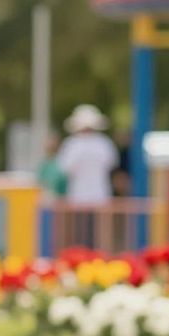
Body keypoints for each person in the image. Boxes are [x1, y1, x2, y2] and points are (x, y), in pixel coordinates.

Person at [57, 104, 118, 249]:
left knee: (86, 232)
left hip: (84, 196)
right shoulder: (103, 143)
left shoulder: (73, 144)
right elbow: (111, 163)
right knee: (88, 232)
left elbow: (64, 168)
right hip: (92, 196)